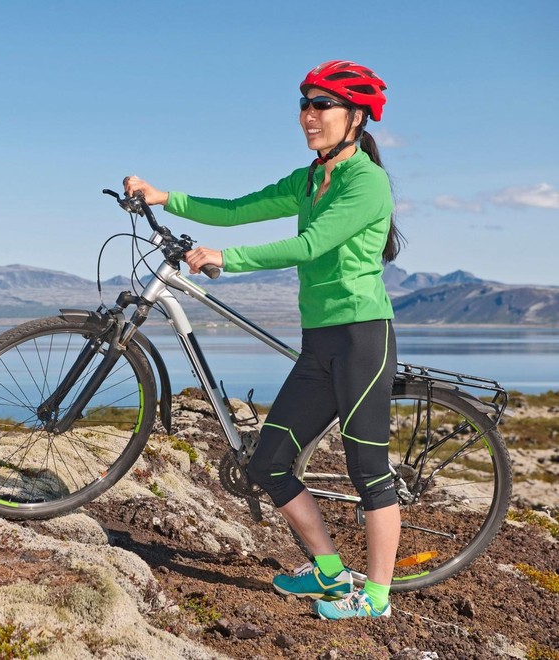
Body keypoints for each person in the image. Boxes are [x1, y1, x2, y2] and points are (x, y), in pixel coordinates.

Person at [124, 60, 404, 620]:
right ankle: (329, 573)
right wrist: (164, 197)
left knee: (368, 471)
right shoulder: (309, 179)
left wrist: (228, 259)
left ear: (355, 117)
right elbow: (237, 209)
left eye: (322, 105)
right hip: (320, 340)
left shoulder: (366, 183)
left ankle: (375, 599)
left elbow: (310, 246)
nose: (309, 116)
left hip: (361, 338)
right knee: (269, 463)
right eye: (305, 105)